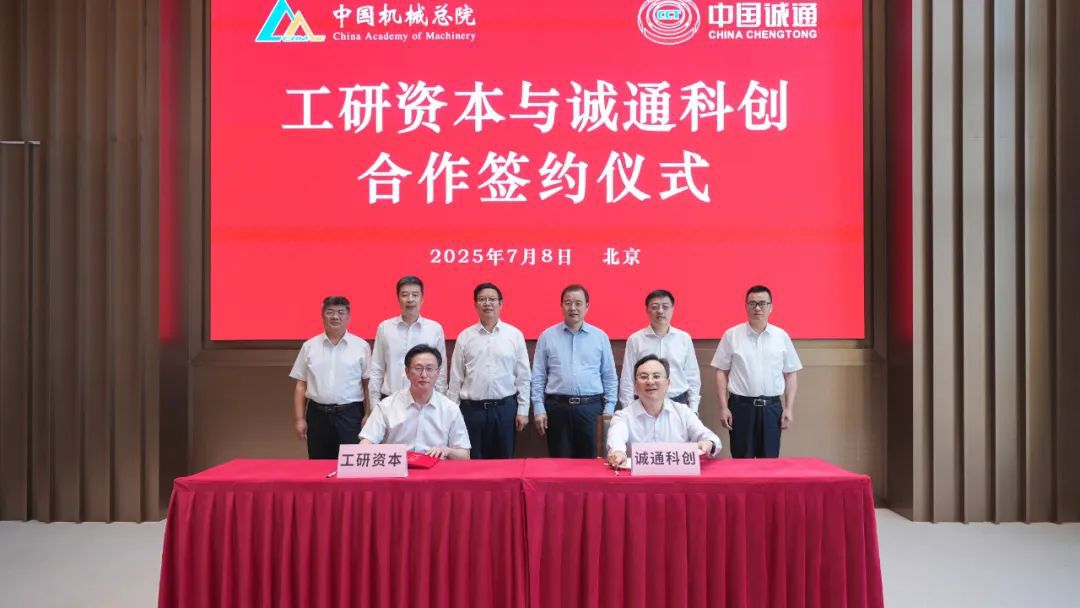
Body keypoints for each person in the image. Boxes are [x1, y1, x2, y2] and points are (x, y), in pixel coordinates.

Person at [711, 285, 802, 458]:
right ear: (746, 306)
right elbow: (721, 372)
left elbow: (790, 373)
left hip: (771, 409)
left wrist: (789, 408)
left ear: (771, 307)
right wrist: (723, 407)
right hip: (741, 408)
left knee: (769, 462)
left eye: (762, 303)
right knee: (742, 461)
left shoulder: (781, 336)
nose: (757, 308)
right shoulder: (731, 335)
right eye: (752, 303)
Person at [530, 284, 618, 458]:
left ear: (587, 306)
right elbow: (538, 376)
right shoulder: (547, 336)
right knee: (559, 463)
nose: (573, 308)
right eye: (568, 303)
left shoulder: (600, 337)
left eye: (578, 303)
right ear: (561, 305)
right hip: (557, 408)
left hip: (591, 409)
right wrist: (539, 408)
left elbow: (609, 376)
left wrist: (609, 410)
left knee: (591, 463)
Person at [447, 283, 531, 459]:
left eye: (492, 299)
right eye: (482, 299)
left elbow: (523, 377)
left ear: (501, 303)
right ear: (475, 304)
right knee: (474, 465)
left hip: (505, 409)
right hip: (472, 411)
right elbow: (456, 378)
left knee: (505, 463)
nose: (487, 303)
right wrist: (451, 414)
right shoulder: (465, 336)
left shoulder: (514, 335)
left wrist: (523, 410)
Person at [289, 295, 371, 459]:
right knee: (318, 463)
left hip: (350, 415)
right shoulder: (309, 346)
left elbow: (367, 384)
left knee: (351, 463)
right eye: (330, 312)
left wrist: (368, 414)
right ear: (322, 316)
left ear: (348, 317)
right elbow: (301, 385)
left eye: (341, 312)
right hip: (317, 415)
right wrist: (299, 419)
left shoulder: (361, 346)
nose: (335, 317)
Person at [606, 355, 721, 467]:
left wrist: (708, 443)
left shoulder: (683, 412)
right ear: (635, 385)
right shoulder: (623, 416)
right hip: (638, 477)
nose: (650, 381)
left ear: (668, 383)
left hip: (678, 476)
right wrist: (618, 452)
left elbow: (712, 439)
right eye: (644, 377)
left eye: (656, 376)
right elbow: (616, 438)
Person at [359, 345, 470, 459]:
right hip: (398, 465)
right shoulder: (387, 406)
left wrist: (447, 450)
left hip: (436, 467)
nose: (424, 375)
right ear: (407, 372)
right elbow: (367, 440)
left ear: (437, 373)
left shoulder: (450, 409)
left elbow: (465, 456)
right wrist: (367, 448)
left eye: (429, 369)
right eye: (418, 368)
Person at [368, 276, 448, 414]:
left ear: (422, 299)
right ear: (398, 298)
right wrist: (374, 405)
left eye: (415, 295)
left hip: (425, 402)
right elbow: (377, 368)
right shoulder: (385, 328)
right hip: (390, 401)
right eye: (405, 295)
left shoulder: (435, 329)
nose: (410, 299)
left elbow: (440, 371)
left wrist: (441, 405)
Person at [618, 289, 702, 413]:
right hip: (644, 402)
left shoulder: (684, 338)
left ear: (672, 309)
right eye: (655, 307)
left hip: (678, 401)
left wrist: (693, 409)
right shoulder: (635, 340)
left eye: (665, 307)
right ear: (647, 310)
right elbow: (627, 378)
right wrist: (627, 410)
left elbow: (692, 376)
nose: (660, 311)